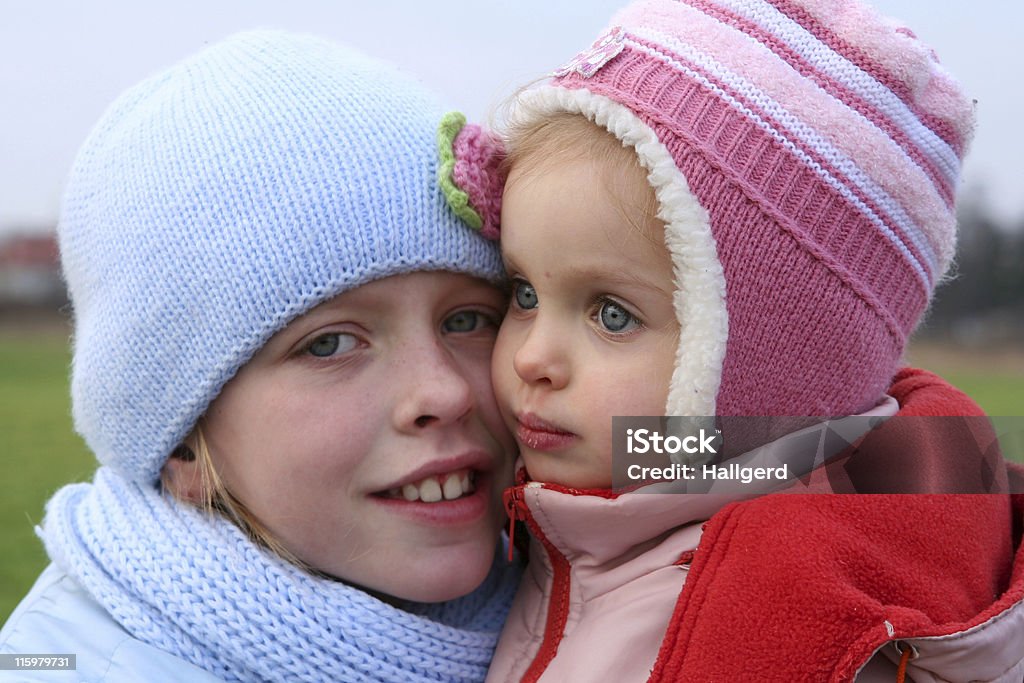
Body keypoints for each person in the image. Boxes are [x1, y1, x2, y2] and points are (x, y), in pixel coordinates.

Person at [481, 0, 1024, 680]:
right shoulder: (562, 524)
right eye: (523, 293)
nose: (532, 357)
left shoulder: (801, 634)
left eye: (612, 314)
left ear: (777, 364)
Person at [0, 30, 522, 682]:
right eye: (330, 343)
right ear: (182, 443)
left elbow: (677, 463)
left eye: (469, 319)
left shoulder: (583, 575)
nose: (445, 391)